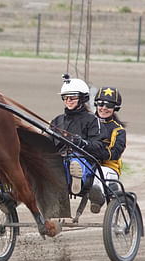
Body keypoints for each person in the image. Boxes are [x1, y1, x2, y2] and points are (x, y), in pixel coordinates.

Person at [50, 74, 109, 213]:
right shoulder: (57, 121)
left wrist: (81, 143)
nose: (68, 100)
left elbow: (100, 148)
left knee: (75, 161)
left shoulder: (93, 121)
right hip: (59, 161)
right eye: (65, 97)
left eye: (73, 97)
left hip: (85, 162)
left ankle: (77, 180)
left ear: (82, 98)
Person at [92, 87, 126, 199]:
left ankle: (98, 198)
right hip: (90, 164)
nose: (104, 108)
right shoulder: (88, 122)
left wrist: (97, 152)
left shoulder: (118, 130)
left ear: (115, 108)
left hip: (109, 167)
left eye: (109, 105)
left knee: (100, 173)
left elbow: (115, 153)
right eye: (101, 104)